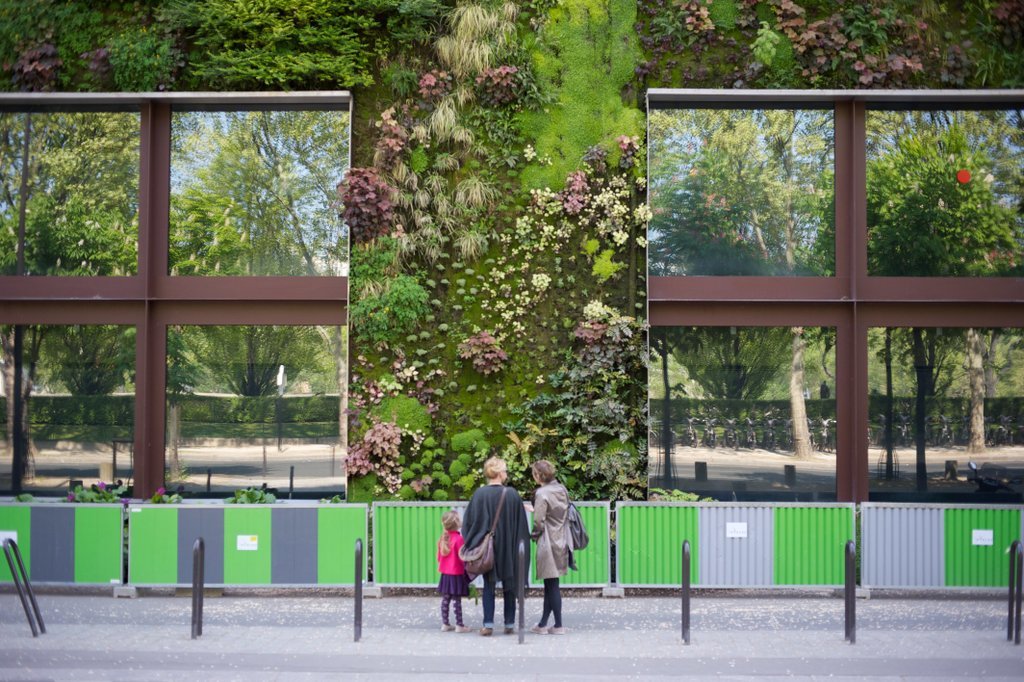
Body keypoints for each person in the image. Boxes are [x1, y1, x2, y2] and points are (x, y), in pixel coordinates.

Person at [461, 456, 530, 636]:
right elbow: (521, 525)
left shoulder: (479, 494)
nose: (506, 473)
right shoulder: (512, 494)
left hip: (487, 550)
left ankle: (488, 624)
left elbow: (469, 523)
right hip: (509, 548)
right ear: (499, 474)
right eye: (505, 470)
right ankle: (509, 623)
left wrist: (474, 543)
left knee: (488, 586)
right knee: (510, 585)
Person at [528, 459, 570, 635]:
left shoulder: (542, 493)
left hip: (547, 541)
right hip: (561, 538)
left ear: (538, 475)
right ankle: (543, 623)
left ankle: (558, 625)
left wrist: (534, 535)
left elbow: (539, 521)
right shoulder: (562, 489)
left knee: (551, 585)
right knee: (551, 583)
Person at [437, 510, 471, 633]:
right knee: (457, 599)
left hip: (445, 574)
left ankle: (445, 624)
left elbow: (439, 558)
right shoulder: (459, 539)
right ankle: (459, 625)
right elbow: (463, 558)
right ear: (457, 523)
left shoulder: (443, 538)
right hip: (457, 574)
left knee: (445, 599)